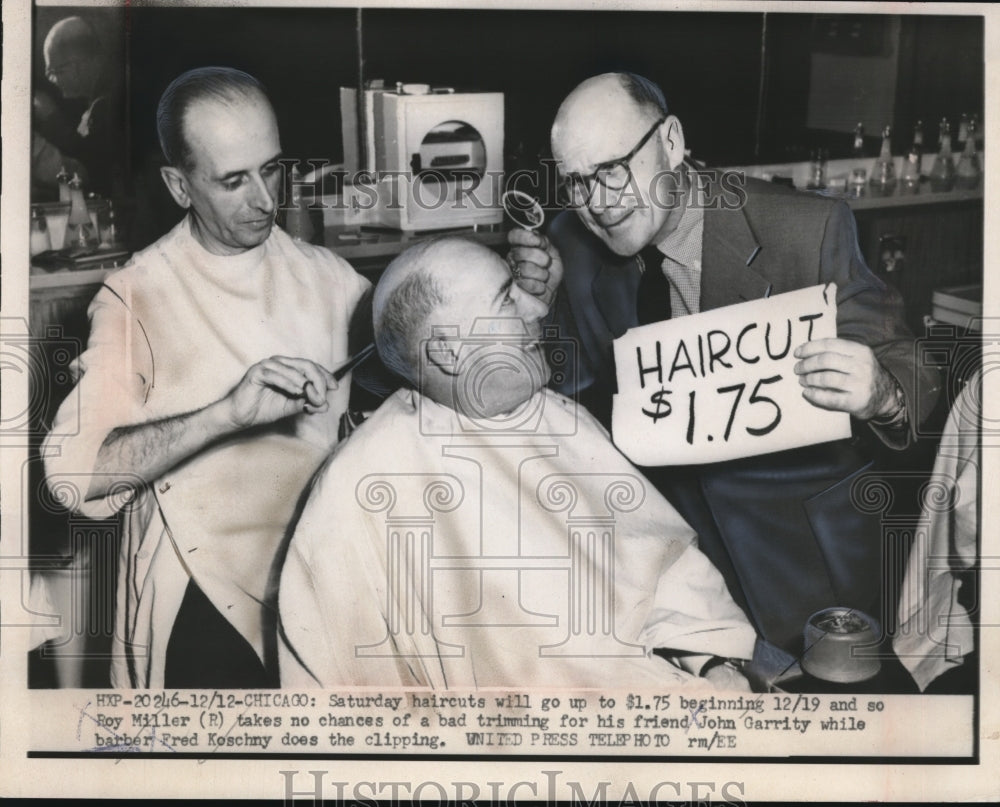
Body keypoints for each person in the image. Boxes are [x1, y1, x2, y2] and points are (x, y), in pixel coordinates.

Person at [506, 73, 942, 670]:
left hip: (807, 558)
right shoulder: (572, 244)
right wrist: (538, 312)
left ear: (672, 141)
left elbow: (908, 362)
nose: (598, 202)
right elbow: (570, 397)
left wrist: (882, 394)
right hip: (679, 562)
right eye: (576, 181)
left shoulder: (804, 228)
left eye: (613, 168)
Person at [278, 237, 757, 690]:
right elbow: (342, 704)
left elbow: (664, 564)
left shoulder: (559, 416)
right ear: (447, 351)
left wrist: (714, 662)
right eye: (508, 300)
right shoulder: (359, 489)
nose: (538, 307)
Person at [42, 67, 371, 688]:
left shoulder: (329, 277)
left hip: (320, 566)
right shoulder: (136, 296)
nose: (266, 201)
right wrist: (224, 414)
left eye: (271, 169)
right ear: (179, 185)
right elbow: (70, 478)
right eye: (233, 181)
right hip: (207, 584)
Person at [33, 16, 124, 197]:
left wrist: (51, 117)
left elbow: (89, 169)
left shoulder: (107, 105)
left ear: (76, 66)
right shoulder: (101, 97)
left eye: (54, 72)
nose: (53, 81)